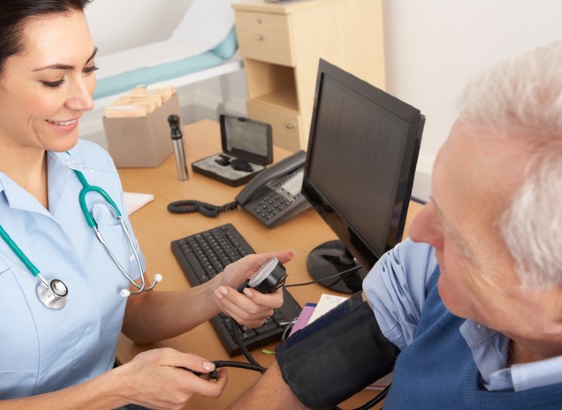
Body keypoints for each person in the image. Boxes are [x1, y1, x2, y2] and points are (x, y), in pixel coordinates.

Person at [0, 1, 291, 408]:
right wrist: (119, 388)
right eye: (53, 80)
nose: (84, 100)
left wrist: (217, 291)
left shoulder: (91, 168)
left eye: (89, 69)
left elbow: (133, 312)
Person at [230, 40, 562, 409]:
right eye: (436, 198)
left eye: (458, 236)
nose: (418, 232)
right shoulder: (433, 268)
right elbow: (309, 367)